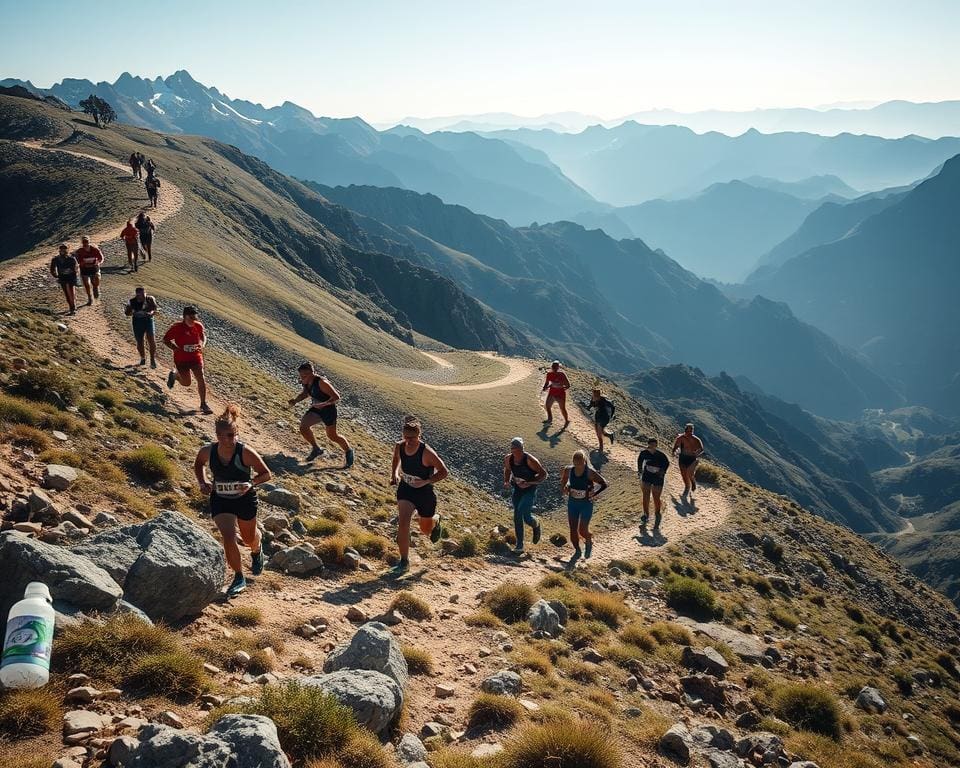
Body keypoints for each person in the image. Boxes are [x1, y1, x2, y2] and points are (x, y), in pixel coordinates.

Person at [194, 404, 272, 597]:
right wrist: (203, 482)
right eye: (225, 435)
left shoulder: (245, 452)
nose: (230, 439)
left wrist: (251, 483)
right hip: (221, 499)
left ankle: (257, 548)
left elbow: (266, 474)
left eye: (233, 434)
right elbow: (198, 464)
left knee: (248, 539)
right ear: (217, 435)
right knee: (228, 536)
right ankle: (238, 577)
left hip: (245, 499)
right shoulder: (208, 451)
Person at [389, 416, 448, 575]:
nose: (408, 441)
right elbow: (396, 459)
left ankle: (435, 521)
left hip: (424, 494)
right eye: (405, 437)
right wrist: (394, 474)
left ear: (419, 436)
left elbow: (444, 472)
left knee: (425, 530)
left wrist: (426, 481)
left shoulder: (427, 452)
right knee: (403, 523)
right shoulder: (400, 446)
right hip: (406, 489)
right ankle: (404, 562)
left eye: (412, 438)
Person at [287, 361, 354, 468]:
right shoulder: (306, 381)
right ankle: (316, 449)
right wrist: (295, 401)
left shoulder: (321, 382)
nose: (302, 377)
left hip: (328, 410)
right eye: (300, 375)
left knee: (332, 436)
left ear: (312, 373)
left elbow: (337, 397)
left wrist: (324, 404)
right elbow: (305, 393)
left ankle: (349, 451)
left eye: (304, 375)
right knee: (303, 427)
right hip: (316, 409)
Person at [163, 305, 213, 414]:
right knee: (186, 383)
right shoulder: (177, 327)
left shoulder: (198, 326)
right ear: (184, 316)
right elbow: (165, 340)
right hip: (181, 359)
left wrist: (202, 344)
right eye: (191, 318)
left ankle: (203, 404)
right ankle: (175, 375)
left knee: (201, 377)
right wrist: (175, 348)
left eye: (195, 318)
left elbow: (203, 337)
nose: (193, 320)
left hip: (196, 357)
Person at [560, 449, 607, 562]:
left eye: (580, 464)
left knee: (582, 530)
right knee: (572, 529)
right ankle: (577, 550)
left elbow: (604, 483)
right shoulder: (568, 470)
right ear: (573, 462)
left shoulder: (589, 472)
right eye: (576, 464)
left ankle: (588, 538)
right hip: (573, 503)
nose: (578, 466)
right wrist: (564, 488)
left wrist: (594, 494)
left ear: (584, 462)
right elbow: (563, 481)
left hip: (586, 504)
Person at [502, 437, 547, 554]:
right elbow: (507, 469)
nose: (516, 452)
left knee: (525, 515)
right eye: (513, 449)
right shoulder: (508, 459)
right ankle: (519, 545)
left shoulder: (530, 460)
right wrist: (506, 481)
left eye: (518, 449)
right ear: (511, 449)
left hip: (529, 490)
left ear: (522, 449)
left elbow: (543, 474)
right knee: (517, 514)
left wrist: (530, 483)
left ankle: (536, 524)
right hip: (517, 489)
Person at [638, 437, 670, 528]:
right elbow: (640, 461)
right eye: (651, 444)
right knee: (646, 494)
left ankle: (657, 512)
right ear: (648, 444)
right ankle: (645, 514)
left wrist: (662, 472)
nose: (652, 446)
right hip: (647, 475)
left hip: (658, 476)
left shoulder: (661, 455)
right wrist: (640, 471)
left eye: (654, 444)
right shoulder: (643, 453)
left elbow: (667, 463)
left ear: (656, 445)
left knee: (656, 496)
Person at [124, 286, 158, 367]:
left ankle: (152, 359)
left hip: (148, 320)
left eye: (143, 294)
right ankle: (143, 358)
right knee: (140, 341)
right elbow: (127, 313)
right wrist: (131, 311)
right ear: (136, 294)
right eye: (139, 295)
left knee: (151, 339)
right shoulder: (132, 301)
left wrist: (151, 313)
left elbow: (154, 308)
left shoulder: (150, 299)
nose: (142, 296)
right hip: (137, 321)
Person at [673, 423, 705, 495]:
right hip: (683, 457)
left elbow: (701, 449)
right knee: (683, 474)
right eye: (688, 431)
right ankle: (687, 486)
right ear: (685, 430)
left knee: (690, 473)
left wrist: (697, 454)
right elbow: (676, 445)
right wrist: (674, 452)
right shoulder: (681, 438)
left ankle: (693, 482)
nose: (689, 433)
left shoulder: (696, 439)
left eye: (691, 431)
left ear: (692, 431)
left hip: (692, 458)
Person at [73, 236, 104, 306]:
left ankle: (96, 288)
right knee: (86, 285)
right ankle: (90, 299)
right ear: (82, 243)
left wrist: (97, 263)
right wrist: (81, 263)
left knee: (96, 280)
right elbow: (76, 259)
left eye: (86, 242)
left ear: (89, 242)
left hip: (94, 268)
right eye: (84, 242)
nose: (85, 244)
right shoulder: (79, 251)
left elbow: (101, 258)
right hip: (84, 270)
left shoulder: (95, 249)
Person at [49, 243, 79, 315]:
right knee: (67, 293)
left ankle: (73, 308)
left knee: (71, 292)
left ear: (67, 249)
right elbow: (52, 269)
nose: (63, 250)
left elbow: (76, 268)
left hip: (71, 277)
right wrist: (55, 275)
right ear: (59, 250)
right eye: (61, 248)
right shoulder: (55, 259)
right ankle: (71, 307)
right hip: (62, 278)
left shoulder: (71, 258)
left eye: (64, 248)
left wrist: (75, 275)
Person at [586, 387, 616, 452]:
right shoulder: (593, 399)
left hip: (604, 417)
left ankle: (601, 448)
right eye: (594, 395)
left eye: (596, 395)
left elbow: (612, 407)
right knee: (598, 432)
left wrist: (611, 415)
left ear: (599, 395)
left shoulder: (603, 400)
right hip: (597, 416)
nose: (594, 397)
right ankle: (610, 435)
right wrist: (588, 407)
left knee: (599, 433)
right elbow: (591, 405)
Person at [541, 360, 570, 426]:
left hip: (560, 394)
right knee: (548, 406)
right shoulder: (549, 374)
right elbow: (547, 383)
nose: (554, 368)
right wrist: (545, 387)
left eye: (555, 366)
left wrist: (559, 386)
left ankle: (566, 421)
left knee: (562, 408)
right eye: (554, 366)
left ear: (558, 367)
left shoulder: (561, 374)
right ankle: (550, 419)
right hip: (553, 393)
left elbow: (568, 385)